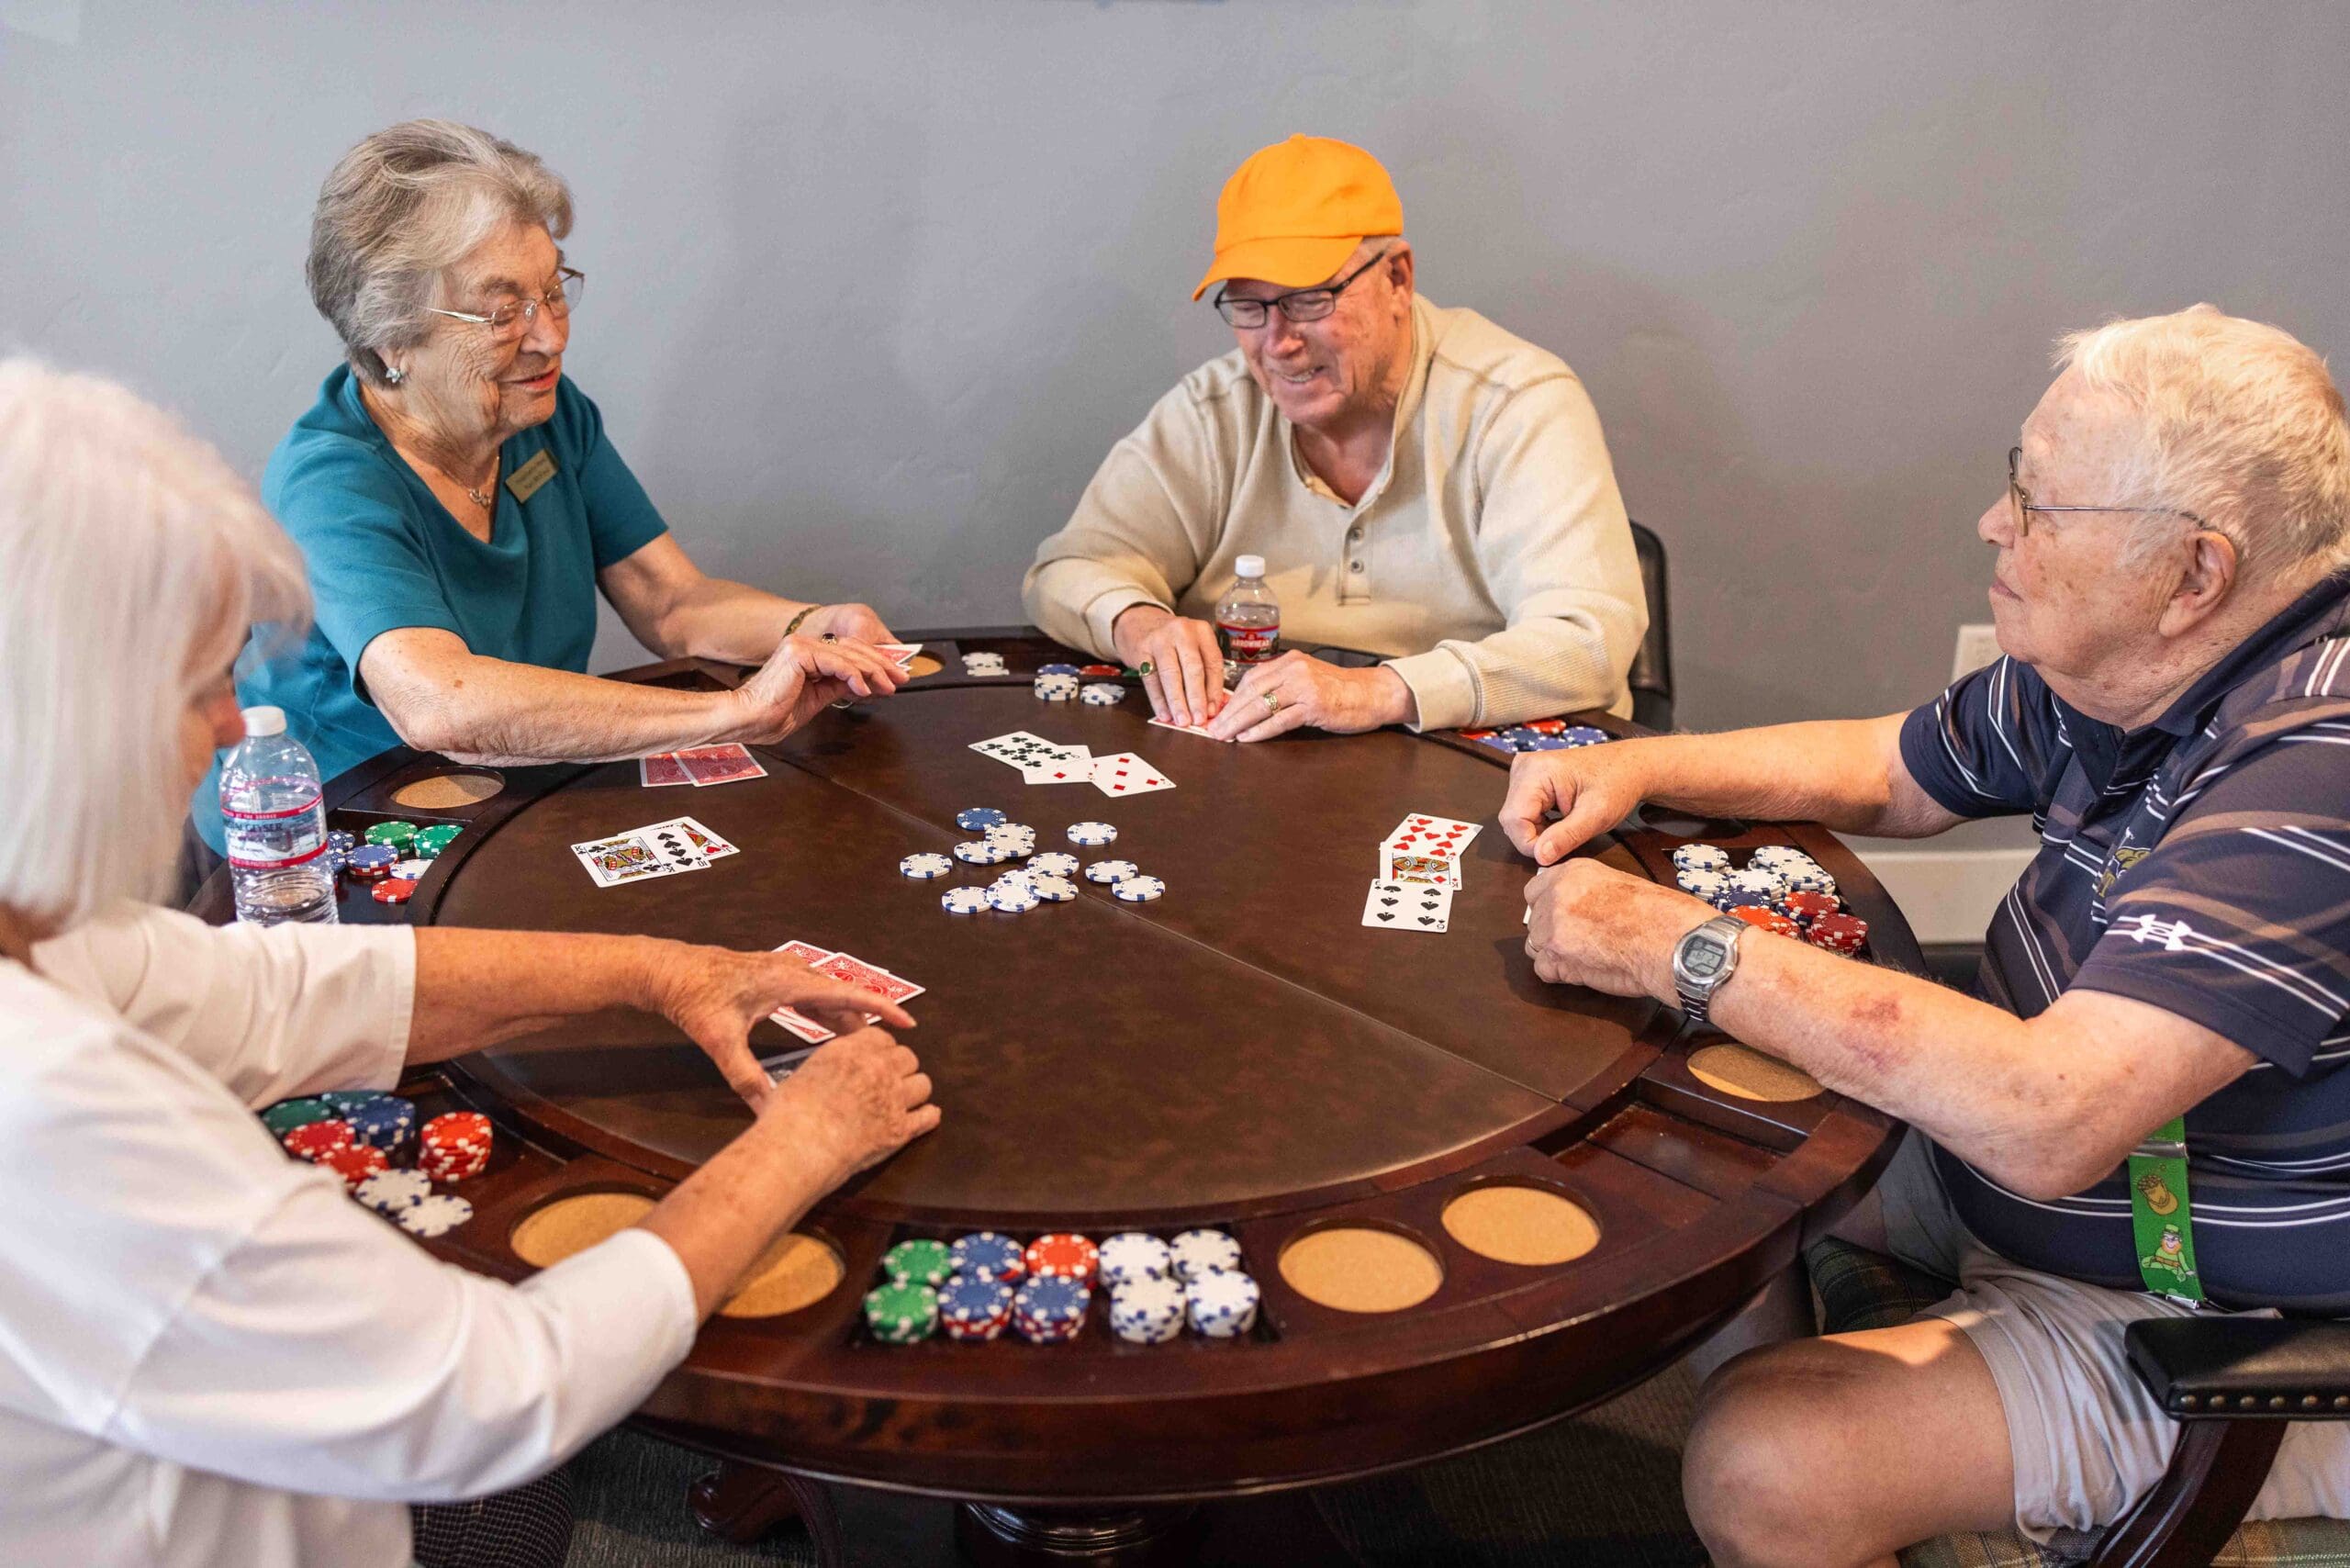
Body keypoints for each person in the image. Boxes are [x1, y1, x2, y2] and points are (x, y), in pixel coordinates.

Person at [0, 358, 940, 1567]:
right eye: (197, 690)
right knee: (509, 1493)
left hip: (243, 1465)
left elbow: (278, 986)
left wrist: (665, 969)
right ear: (57, 725)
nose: (237, 725)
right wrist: (802, 1143)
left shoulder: (46, 938)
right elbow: (492, 1396)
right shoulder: (55, 1113)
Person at [1500, 306, 2350, 1566]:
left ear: (2196, 577)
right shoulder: (2131, 666)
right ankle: (1867, 1425)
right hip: (2056, 1193)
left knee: (1761, 1464)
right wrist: (1636, 763)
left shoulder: (2320, 767)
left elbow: (2052, 1116)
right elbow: (1895, 769)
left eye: (2040, 503)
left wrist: (1681, 944)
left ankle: (1829, 1458)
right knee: (1683, 1134)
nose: (1994, 525)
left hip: (2215, 1315)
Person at [189, 118, 908, 858]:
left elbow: (672, 601)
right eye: (503, 313)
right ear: (390, 339)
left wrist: (811, 626)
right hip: (329, 844)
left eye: (553, 290)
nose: (549, 337)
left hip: (505, 807)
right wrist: (739, 711)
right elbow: (438, 704)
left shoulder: (542, 415)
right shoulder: (332, 481)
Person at [1022, 134, 1646, 743]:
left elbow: (1588, 641)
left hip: (1489, 774)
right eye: (1249, 307)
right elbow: (1068, 569)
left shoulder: (1516, 402)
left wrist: (1377, 689)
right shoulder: (1215, 409)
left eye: (1310, 301)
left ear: (1397, 279)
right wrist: (1138, 623)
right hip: (1256, 777)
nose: (1278, 343)